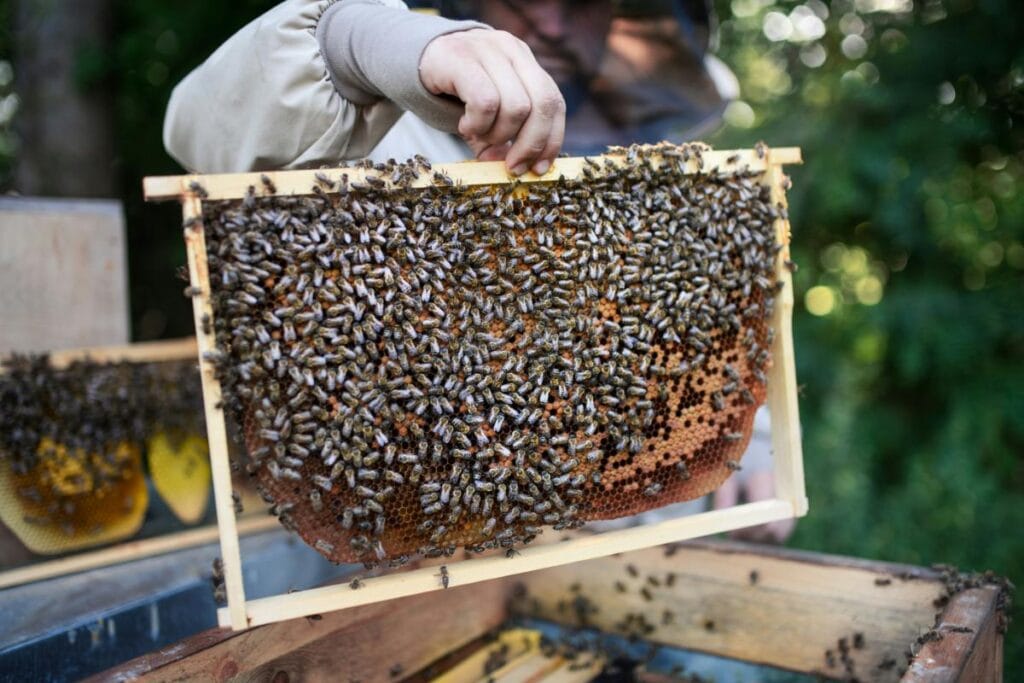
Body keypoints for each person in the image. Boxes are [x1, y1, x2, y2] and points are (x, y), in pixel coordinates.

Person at [164, 0, 793, 544]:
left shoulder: (659, 159)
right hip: (414, 553)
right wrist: (362, 47)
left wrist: (755, 433)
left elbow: (690, 320)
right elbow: (199, 135)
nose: (548, 19)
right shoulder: (383, 123)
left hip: (617, 552)